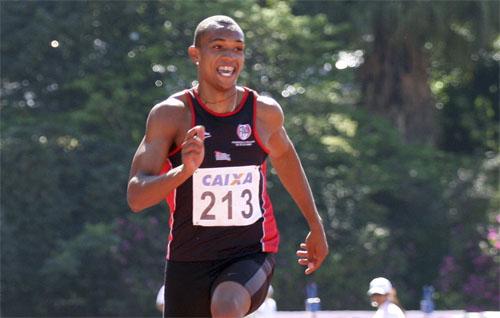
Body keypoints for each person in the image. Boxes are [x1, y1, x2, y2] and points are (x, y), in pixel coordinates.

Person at [127, 15, 329, 317]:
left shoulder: (263, 112)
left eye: (238, 49)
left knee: (227, 304)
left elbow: (286, 159)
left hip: (250, 253)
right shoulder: (171, 115)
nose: (229, 57)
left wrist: (316, 224)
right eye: (218, 46)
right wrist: (183, 171)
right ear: (195, 55)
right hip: (188, 257)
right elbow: (136, 196)